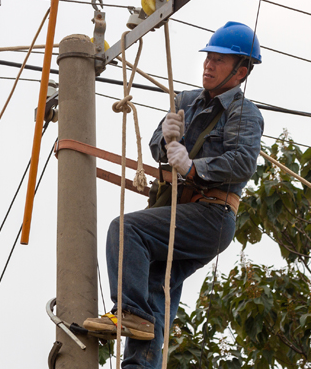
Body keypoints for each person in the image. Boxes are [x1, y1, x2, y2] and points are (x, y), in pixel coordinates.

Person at [83, 21, 264, 368]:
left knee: (126, 230)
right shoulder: (185, 101)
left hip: (211, 216)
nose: (208, 66)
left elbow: (242, 162)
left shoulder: (243, 113)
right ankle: (140, 363)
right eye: (208, 58)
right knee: (155, 286)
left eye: (219, 61)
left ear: (241, 72)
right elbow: (156, 148)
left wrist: (194, 168)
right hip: (180, 210)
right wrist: (165, 141)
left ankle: (129, 312)